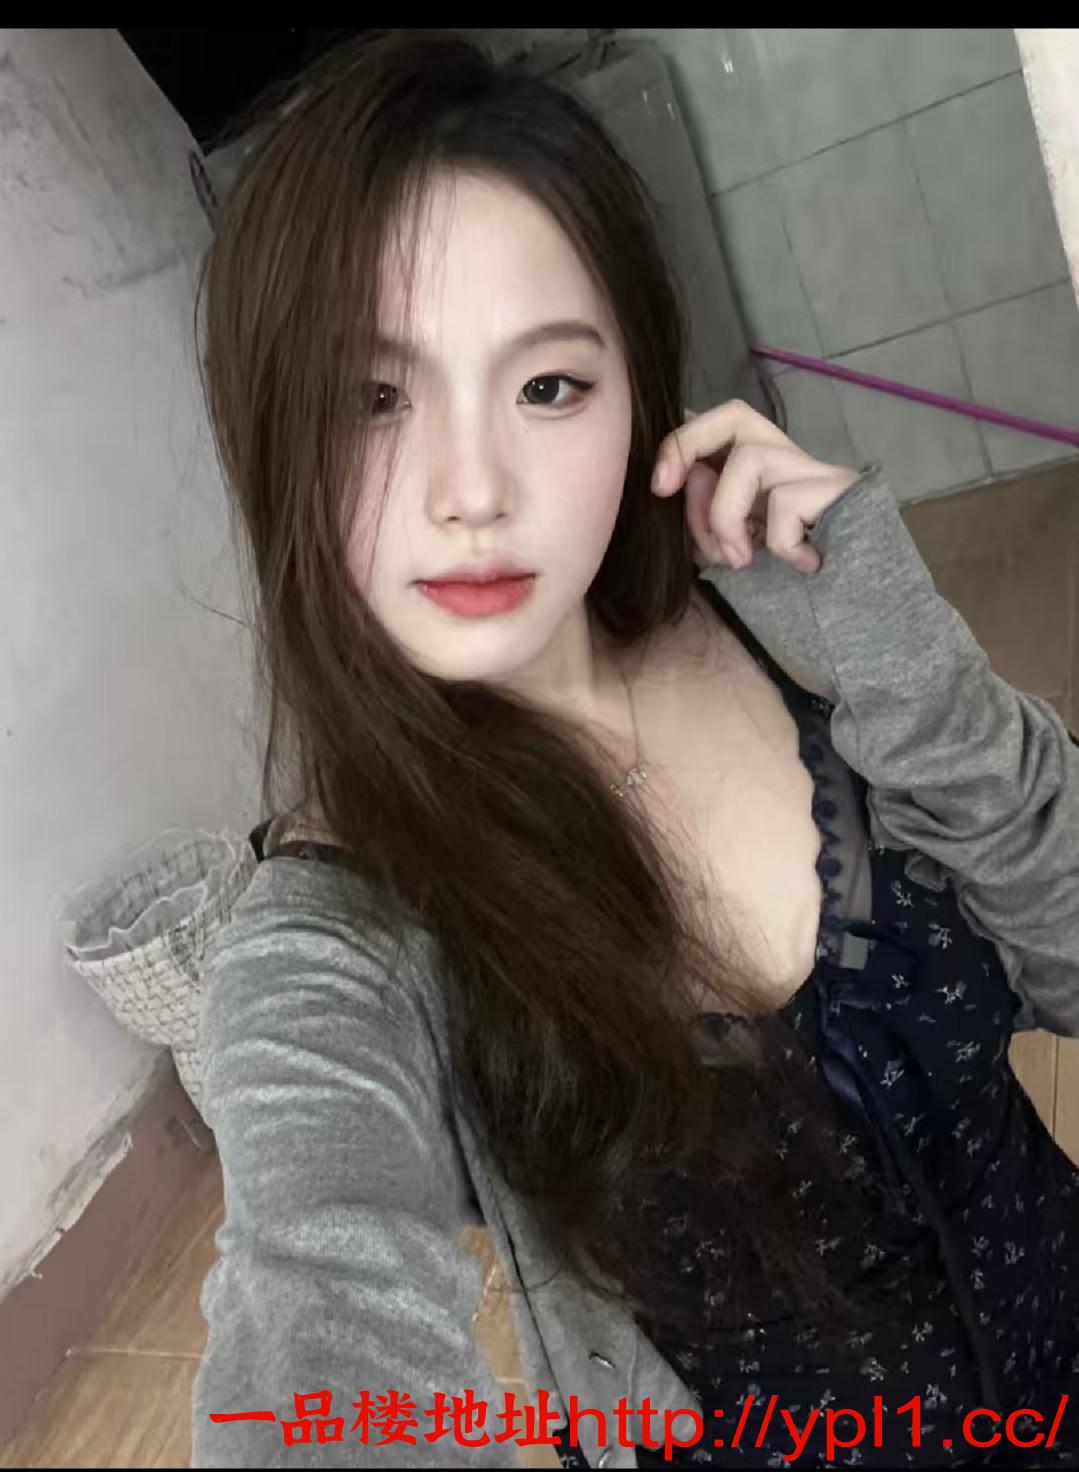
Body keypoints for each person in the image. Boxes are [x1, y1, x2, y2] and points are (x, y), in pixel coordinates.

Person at [189, 29, 1079, 1471]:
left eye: (547, 387)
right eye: (373, 397)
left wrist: (902, 651)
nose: (473, 491)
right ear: (275, 437)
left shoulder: (787, 639)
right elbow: (312, 1333)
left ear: (641, 400)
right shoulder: (339, 943)